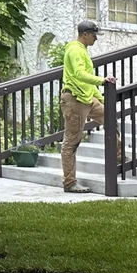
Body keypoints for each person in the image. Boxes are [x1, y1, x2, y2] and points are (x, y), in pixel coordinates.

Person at [59, 19, 114, 193]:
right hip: (75, 100)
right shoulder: (75, 50)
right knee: (72, 141)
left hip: (87, 98)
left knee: (110, 117)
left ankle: (119, 154)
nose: (96, 39)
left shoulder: (82, 50)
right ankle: (69, 183)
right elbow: (79, 74)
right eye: (94, 35)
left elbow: (86, 81)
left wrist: (102, 98)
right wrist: (102, 80)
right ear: (85, 35)